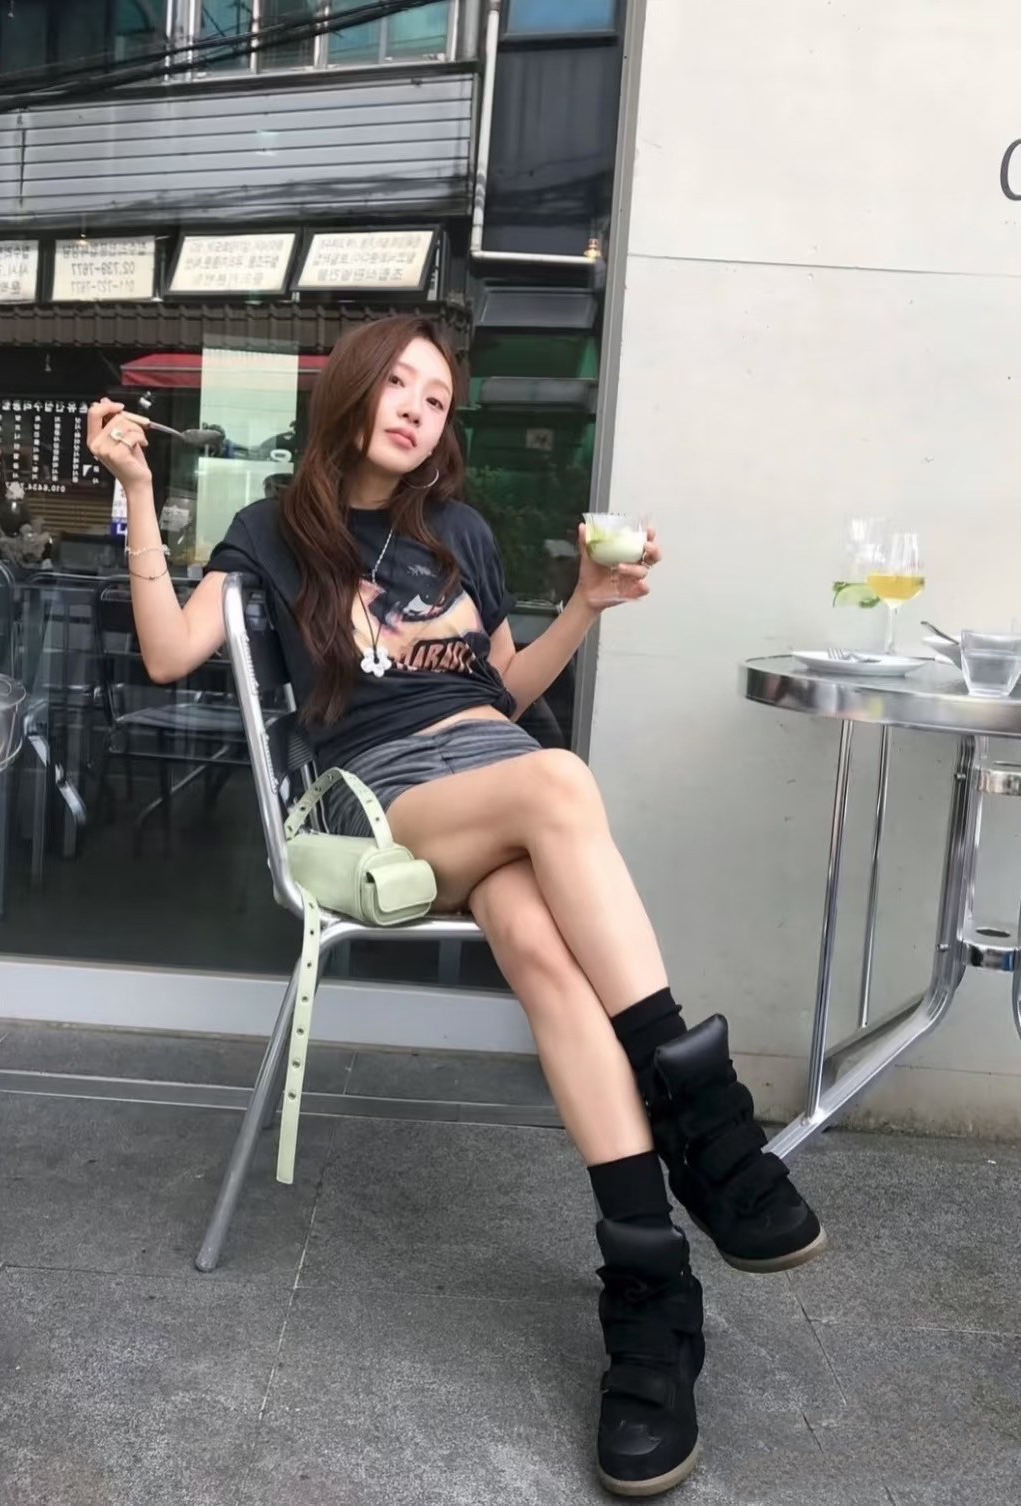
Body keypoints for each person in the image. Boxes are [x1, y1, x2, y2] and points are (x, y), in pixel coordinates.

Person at [87, 315, 825, 1498]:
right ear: (354, 391)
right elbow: (172, 652)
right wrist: (135, 492)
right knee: (561, 780)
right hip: (385, 796)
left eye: (437, 398)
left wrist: (585, 603)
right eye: (401, 384)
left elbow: (505, 688)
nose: (418, 409)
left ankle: (652, 1297)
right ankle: (712, 1131)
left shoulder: (464, 534)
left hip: (496, 779)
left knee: (537, 936)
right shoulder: (274, 530)